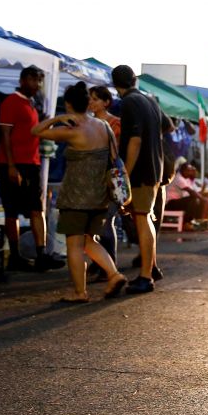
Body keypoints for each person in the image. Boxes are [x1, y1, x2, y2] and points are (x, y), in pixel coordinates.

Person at [31, 82, 127, 301]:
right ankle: (113, 274)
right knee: (88, 240)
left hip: (76, 196)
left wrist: (57, 118)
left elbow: (35, 130)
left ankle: (80, 292)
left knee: (74, 244)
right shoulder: (105, 126)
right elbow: (114, 158)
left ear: (68, 105)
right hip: (100, 195)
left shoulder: (71, 130)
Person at [0, 65, 64, 272]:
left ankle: (41, 254)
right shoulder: (11, 102)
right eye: (34, 80)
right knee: (12, 211)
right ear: (23, 80)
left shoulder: (32, 104)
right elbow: (5, 136)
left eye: (40, 81)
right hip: (13, 164)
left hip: (32, 163)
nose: (37, 85)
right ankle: (15, 255)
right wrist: (11, 166)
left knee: (37, 209)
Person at [113, 64, 171, 295]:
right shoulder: (150, 100)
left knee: (142, 218)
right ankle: (152, 267)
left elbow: (134, 140)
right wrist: (153, 140)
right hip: (156, 167)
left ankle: (146, 277)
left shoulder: (129, 102)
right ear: (134, 79)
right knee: (144, 217)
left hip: (141, 170)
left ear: (115, 84)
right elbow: (169, 126)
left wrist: (124, 173)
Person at [88, 86, 121, 281]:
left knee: (107, 222)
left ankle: (110, 266)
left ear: (106, 102)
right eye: (90, 99)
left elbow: (117, 153)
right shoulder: (89, 123)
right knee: (96, 223)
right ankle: (101, 263)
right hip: (93, 179)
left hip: (109, 178)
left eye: (95, 99)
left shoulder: (115, 124)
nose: (91, 102)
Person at [165, 162, 208, 229]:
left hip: (178, 202)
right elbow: (192, 192)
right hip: (170, 203)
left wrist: (205, 198)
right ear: (184, 171)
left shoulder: (187, 179)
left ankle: (201, 224)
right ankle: (187, 223)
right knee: (194, 200)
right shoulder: (178, 178)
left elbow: (197, 193)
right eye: (189, 171)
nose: (191, 172)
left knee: (201, 199)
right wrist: (205, 200)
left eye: (191, 170)